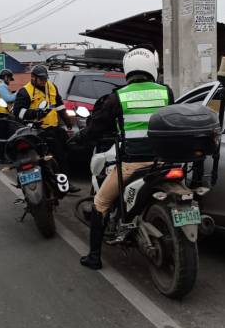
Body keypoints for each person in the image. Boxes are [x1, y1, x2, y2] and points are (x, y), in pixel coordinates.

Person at [72, 47, 173, 270]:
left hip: (133, 164)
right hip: (164, 162)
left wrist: (80, 138)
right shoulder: (166, 92)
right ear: (152, 69)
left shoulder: (119, 96)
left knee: (100, 203)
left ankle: (94, 257)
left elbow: (96, 126)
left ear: (128, 69)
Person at [12, 64, 80, 192]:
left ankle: (64, 183)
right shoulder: (25, 91)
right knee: (37, 158)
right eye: (41, 79)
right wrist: (35, 113)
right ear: (33, 78)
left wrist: (66, 120)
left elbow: (59, 105)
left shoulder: (52, 86)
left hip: (53, 128)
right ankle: (31, 182)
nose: (44, 82)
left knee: (64, 154)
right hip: (35, 130)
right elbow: (18, 112)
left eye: (45, 79)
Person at [0, 69, 17, 164]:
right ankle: (2, 158)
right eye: (9, 79)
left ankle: (2, 157)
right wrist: (19, 92)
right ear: (5, 77)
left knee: (2, 136)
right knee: (3, 137)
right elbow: (9, 98)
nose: (9, 81)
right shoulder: (1, 86)